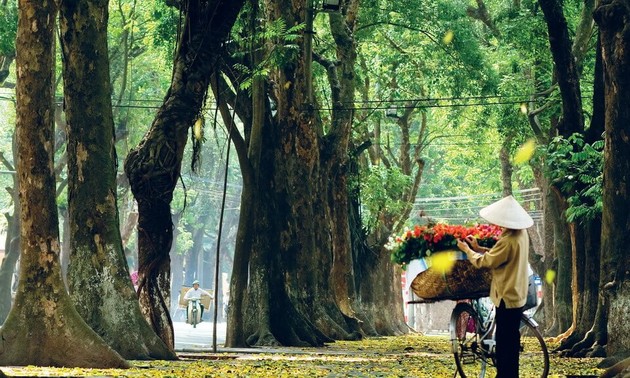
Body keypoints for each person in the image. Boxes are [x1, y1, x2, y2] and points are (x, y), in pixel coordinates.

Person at [456, 195, 533, 378]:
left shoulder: (509, 240)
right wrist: (479, 247)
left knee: (505, 342)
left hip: (506, 295)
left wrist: (467, 250)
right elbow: (500, 255)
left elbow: (485, 262)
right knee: (511, 341)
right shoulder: (520, 234)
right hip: (517, 293)